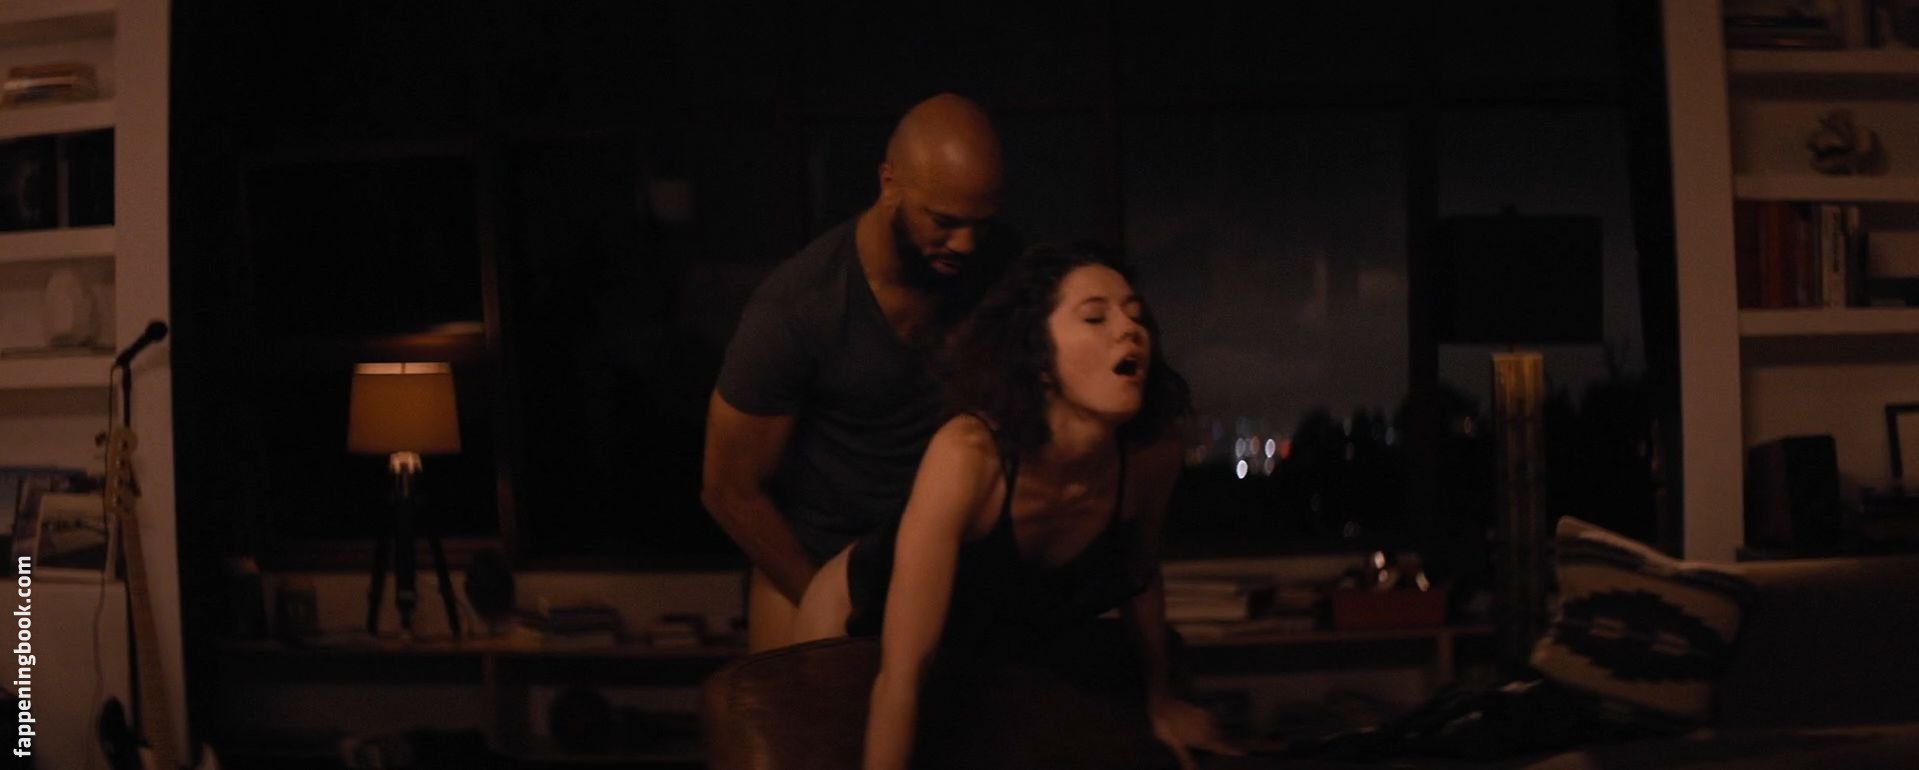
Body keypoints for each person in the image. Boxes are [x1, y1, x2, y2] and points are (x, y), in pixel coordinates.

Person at [791, 243, 1244, 770]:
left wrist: (1159, 700)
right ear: (1038, 357)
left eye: (1135, 315)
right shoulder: (969, 455)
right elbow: (903, 674)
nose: (1129, 329)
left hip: (988, 644)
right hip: (856, 630)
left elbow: (1140, 577)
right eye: (1095, 317)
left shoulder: (1150, 457)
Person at [702, 93, 1021, 652]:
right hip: (821, 563)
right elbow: (729, 490)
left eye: (982, 225)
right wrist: (829, 603)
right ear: (889, 183)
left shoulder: (1003, 274)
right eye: (944, 221)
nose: (966, 244)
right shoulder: (798, 306)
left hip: (947, 567)